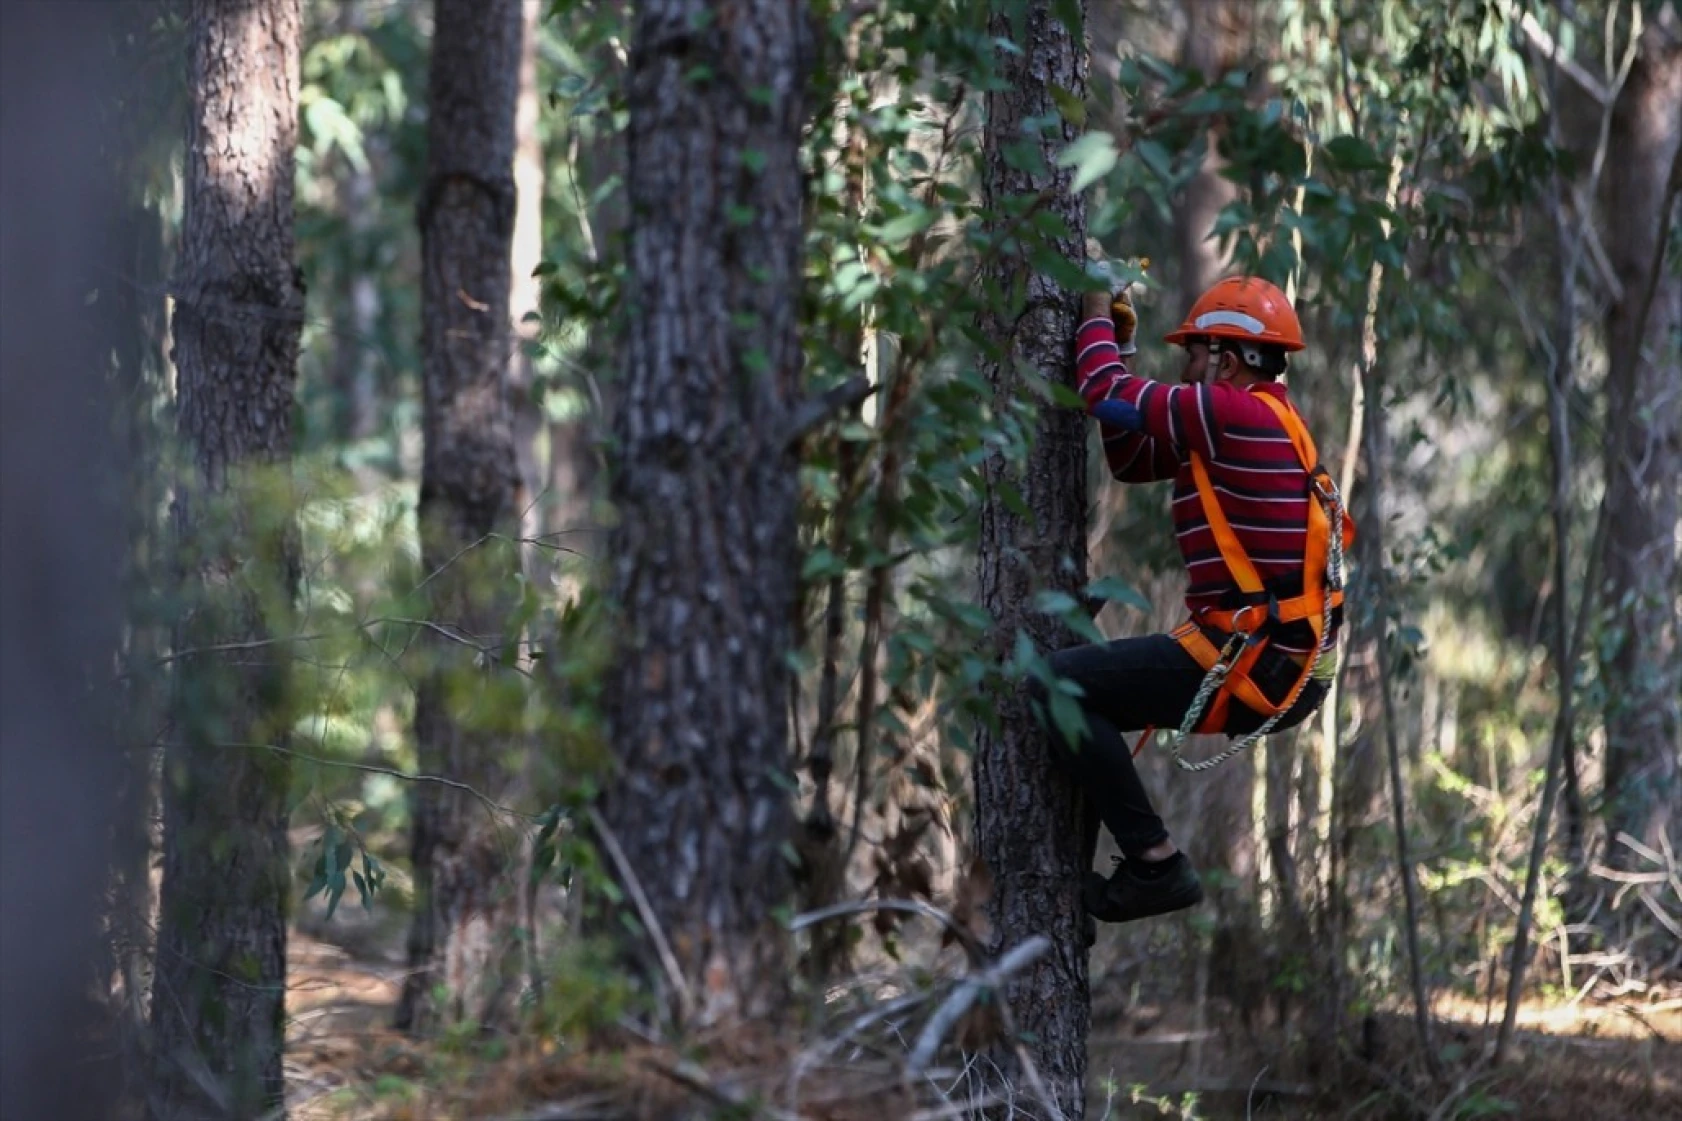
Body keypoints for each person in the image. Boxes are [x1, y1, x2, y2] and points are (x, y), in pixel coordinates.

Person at [1033, 271, 1354, 927]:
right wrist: (1117, 342)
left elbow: (1102, 393)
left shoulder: (1230, 413)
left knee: (1056, 686)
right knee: (1085, 692)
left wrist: (1093, 311)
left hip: (1257, 660)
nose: (1185, 368)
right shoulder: (1248, 421)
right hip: (1274, 661)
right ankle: (1137, 858)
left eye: (1193, 354)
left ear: (1226, 361)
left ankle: (1154, 861)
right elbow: (1130, 459)